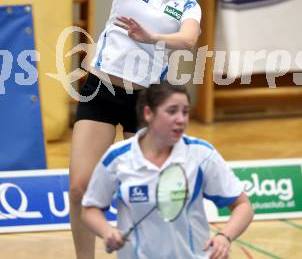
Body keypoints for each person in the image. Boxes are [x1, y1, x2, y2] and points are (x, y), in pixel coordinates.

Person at [69, 0, 202, 258]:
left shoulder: (189, 4)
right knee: (80, 187)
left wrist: (151, 37)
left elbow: (188, 39)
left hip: (144, 103)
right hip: (100, 89)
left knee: (142, 193)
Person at [81, 81, 254, 258]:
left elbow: (243, 205)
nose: (181, 119)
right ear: (148, 113)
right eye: (172, 111)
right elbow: (90, 209)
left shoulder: (201, 154)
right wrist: (107, 231)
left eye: (185, 112)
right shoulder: (118, 158)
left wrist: (225, 237)